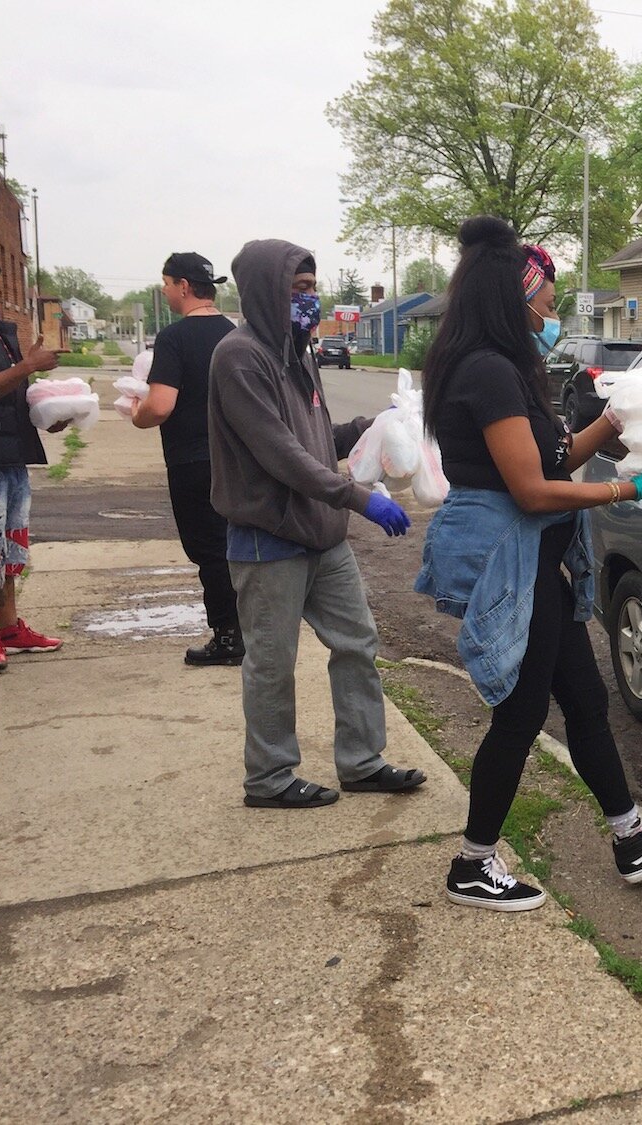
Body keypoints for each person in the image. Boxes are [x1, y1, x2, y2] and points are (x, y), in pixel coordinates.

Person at [415, 217, 642, 911]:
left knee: (585, 700)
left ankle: (631, 836)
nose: (552, 311)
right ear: (514, 298)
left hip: (540, 561)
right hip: (513, 562)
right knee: (519, 717)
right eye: (546, 299)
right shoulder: (485, 371)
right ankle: (472, 864)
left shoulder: (504, 367)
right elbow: (531, 489)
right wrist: (627, 488)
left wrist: (614, 419)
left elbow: (549, 461)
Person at [208, 239, 425, 809]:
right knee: (273, 663)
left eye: (313, 287)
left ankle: (362, 761)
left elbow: (314, 438)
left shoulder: (299, 352)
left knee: (357, 642)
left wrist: (366, 426)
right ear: (265, 293)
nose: (311, 299)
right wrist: (359, 498)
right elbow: (279, 453)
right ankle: (270, 778)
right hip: (267, 538)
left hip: (322, 535)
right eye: (298, 290)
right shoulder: (240, 357)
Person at [131, 252, 242, 665]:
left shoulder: (174, 339)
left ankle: (229, 638)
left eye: (165, 282)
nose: (163, 290)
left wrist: (135, 413)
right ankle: (252, 626)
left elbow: (160, 405)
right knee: (239, 545)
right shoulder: (235, 334)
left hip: (193, 462)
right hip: (238, 460)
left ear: (182, 286)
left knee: (210, 551)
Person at [0, 261, 66, 672]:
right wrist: (26, 367)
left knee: (6, 549)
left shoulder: (2, 333)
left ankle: (10, 629)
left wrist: (52, 415)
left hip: (11, 454)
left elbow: (18, 389)